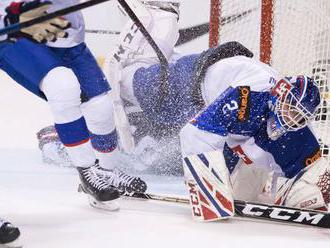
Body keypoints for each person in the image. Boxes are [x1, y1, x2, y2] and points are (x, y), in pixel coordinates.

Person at [37, 0, 330, 219]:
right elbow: (196, 134)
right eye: (291, 110)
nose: (292, 118)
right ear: (278, 96)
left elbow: (303, 164)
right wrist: (207, 194)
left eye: (299, 116)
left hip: (202, 103)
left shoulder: (292, 123)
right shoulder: (249, 97)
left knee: (160, 158)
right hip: (186, 82)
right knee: (133, 87)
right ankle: (58, 141)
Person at [0, 0, 146, 212]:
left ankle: (107, 171)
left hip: (65, 35)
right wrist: (11, 18)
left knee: (101, 107)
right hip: (16, 38)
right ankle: (87, 173)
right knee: (63, 85)